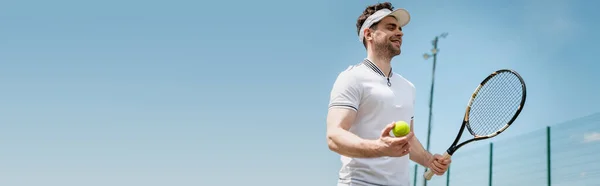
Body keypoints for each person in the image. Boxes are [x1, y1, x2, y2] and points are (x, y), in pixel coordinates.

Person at [326, 2, 451, 186]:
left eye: (400, 28)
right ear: (369, 34)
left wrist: (428, 160)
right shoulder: (351, 78)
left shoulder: (408, 87)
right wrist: (379, 147)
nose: (400, 32)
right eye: (390, 27)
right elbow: (334, 136)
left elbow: (409, 140)